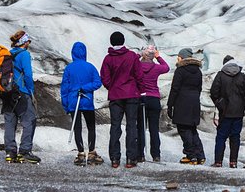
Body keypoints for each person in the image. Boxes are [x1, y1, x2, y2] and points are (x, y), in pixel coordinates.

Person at [100, 31, 143, 168]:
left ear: (111, 42)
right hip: (131, 94)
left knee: (115, 126)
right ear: (123, 41)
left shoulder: (108, 59)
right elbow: (139, 74)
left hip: (115, 95)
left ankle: (115, 159)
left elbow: (105, 78)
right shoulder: (131, 56)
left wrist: (112, 87)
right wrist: (139, 89)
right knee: (131, 126)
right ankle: (131, 158)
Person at [61, 41, 104, 165]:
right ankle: (91, 153)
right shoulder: (90, 67)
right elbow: (97, 82)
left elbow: (64, 88)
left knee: (77, 128)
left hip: (74, 102)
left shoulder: (69, 68)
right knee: (91, 127)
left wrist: (66, 104)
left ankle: (80, 154)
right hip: (87, 101)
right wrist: (86, 87)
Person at [209, 55, 245, 168]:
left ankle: (218, 161)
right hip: (238, 112)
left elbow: (214, 91)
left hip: (225, 111)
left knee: (221, 136)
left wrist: (219, 103)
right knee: (235, 137)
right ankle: (233, 162)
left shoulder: (220, 75)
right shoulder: (242, 76)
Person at [3, 30, 40, 164]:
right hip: (21, 91)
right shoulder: (24, 54)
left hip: (7, 92)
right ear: (25, 42)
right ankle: (24, 151)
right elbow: (28, 75)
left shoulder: (8, 54)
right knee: (29, 120)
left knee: (10, 122)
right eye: (28, 41)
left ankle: (10, 152)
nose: (29, 43)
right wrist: (30, 90)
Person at [167, 48, 205, 165]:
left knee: (184, 128)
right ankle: (200, 155)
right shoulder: (198, 71)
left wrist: (170, 105)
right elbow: (199, 88)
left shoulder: (181, 70)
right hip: (194, 103)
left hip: (182, 102)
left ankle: (191, 155)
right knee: (192, 129)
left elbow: (175, 88)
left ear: (182, 57)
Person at [136, 45, 170, 163]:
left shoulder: (137, 66)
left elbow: (130, 62)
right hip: (154, 99)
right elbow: (166, 68)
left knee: (140, 128)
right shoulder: (156, 68)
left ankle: (140, 154)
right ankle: (156, 155)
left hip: (141, 98)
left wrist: (139, 54)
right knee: (154, 129)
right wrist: (158, 57)